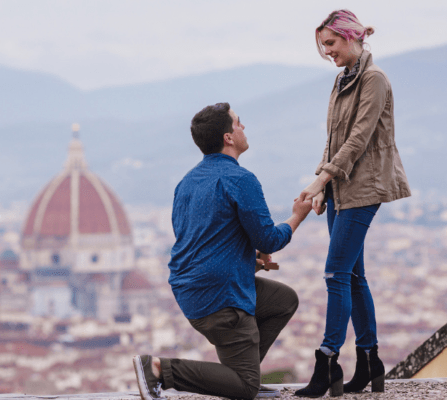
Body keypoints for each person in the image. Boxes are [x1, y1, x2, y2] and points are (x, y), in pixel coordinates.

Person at [132, 102, 313, 400]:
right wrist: (297, 216)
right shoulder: (240, 179)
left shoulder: (187, 182)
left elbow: (203, 240)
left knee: (283, 300)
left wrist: (248, 259)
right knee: (244, 388)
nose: (243, 128)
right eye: (239, 123)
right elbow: (269, 239)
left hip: (190, 290)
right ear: (228, 137)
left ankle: (243, 373)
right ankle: (159, 369)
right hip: (221, 297)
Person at [294, 10, 411, 398]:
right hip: (341, 189)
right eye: (323, 46)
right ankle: (369, 361)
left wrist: (320, 179)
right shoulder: (342, 80)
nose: (327, 52)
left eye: (331, 43)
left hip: (365, 187)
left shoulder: (373, 79)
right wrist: (325, 188)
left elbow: (359, 138)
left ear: (351, 37)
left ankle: (328, 361)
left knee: (335, 274)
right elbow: (334, 140)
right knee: (354, 276)